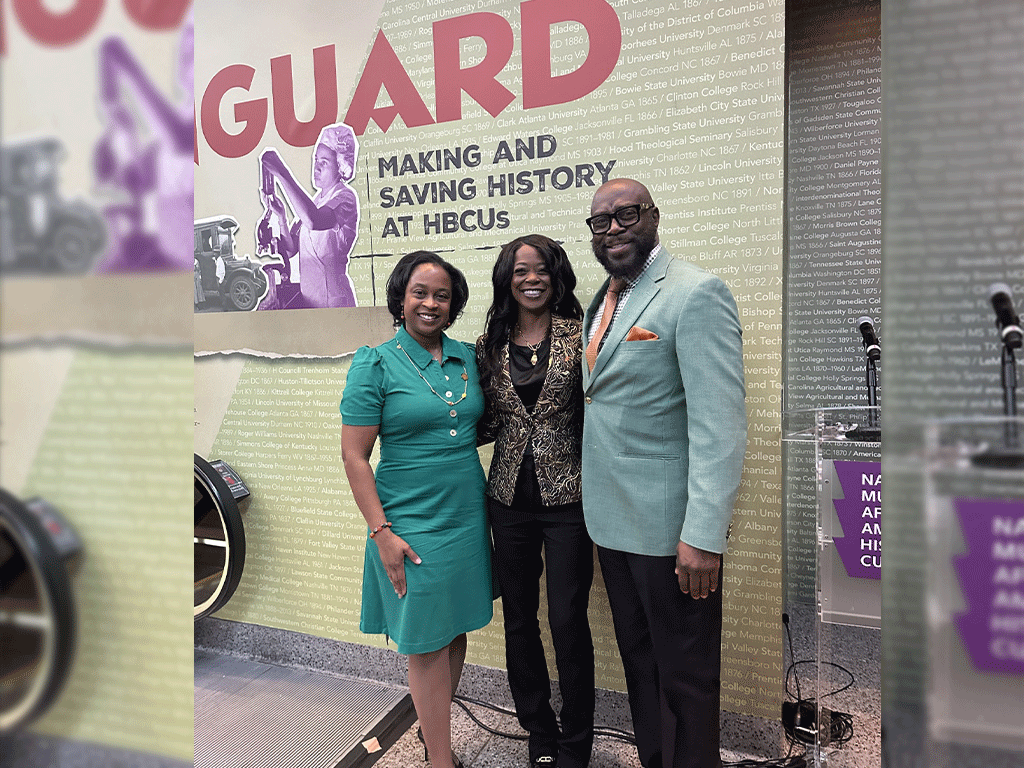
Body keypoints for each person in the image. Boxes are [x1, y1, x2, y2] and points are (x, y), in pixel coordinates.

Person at [581, 179, 747, 768]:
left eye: (625, 215)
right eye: (599, 222)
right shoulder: (603, 299)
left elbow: (719, 427)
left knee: (687, 679)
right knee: (641, 670)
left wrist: (703, 535)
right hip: (611, 524)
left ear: (652, 216)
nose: (612, 229)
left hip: (671, 532)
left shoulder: (695, 292)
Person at [341, 251, 492, 768]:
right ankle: (441, 762)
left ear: (454, 304)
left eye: (442, 295)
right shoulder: (374, 363)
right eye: (420, 293)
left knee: (455, 630)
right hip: (408, 519)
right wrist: (381, 532)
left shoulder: (471, 357)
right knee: (426, 643)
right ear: (400, 300)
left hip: (466, 516)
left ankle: (434, 735)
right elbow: (354, 456)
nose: (431, 303)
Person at [476, 235, 593, 768]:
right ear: (507, 278)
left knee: (568, 618)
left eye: (541, 269)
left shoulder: (583, 333)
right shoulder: (490, 343)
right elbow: (484, 419)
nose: (531, 278)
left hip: (569, 496)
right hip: (507, 498)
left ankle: (577, 739)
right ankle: (539, 730)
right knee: (520, 618)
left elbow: (600, 414)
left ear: (556, 275)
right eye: (520, 270)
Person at [258, 123, 359, 309]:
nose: (317, 167)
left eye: (324, 162)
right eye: (316, 160)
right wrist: (281, 217)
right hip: (310, 300)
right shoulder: (316, 201)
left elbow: (314, 221)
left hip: (335, 302)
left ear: (340, 166)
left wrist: (282, 173)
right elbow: (290, 251)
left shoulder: (345, 198)